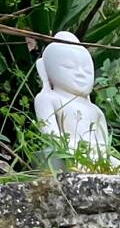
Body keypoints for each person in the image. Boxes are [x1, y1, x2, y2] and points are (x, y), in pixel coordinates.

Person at [34, 32, 111, 160]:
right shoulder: (48, 99)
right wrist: (77, 148)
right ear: (47, 70)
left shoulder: (95, 111)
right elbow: (51, 136)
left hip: (94, 155)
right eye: (69, 67)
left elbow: (103, 143)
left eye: (86, 70)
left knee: (118, 165)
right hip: (68, 152)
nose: (80, 74)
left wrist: (98, 151)